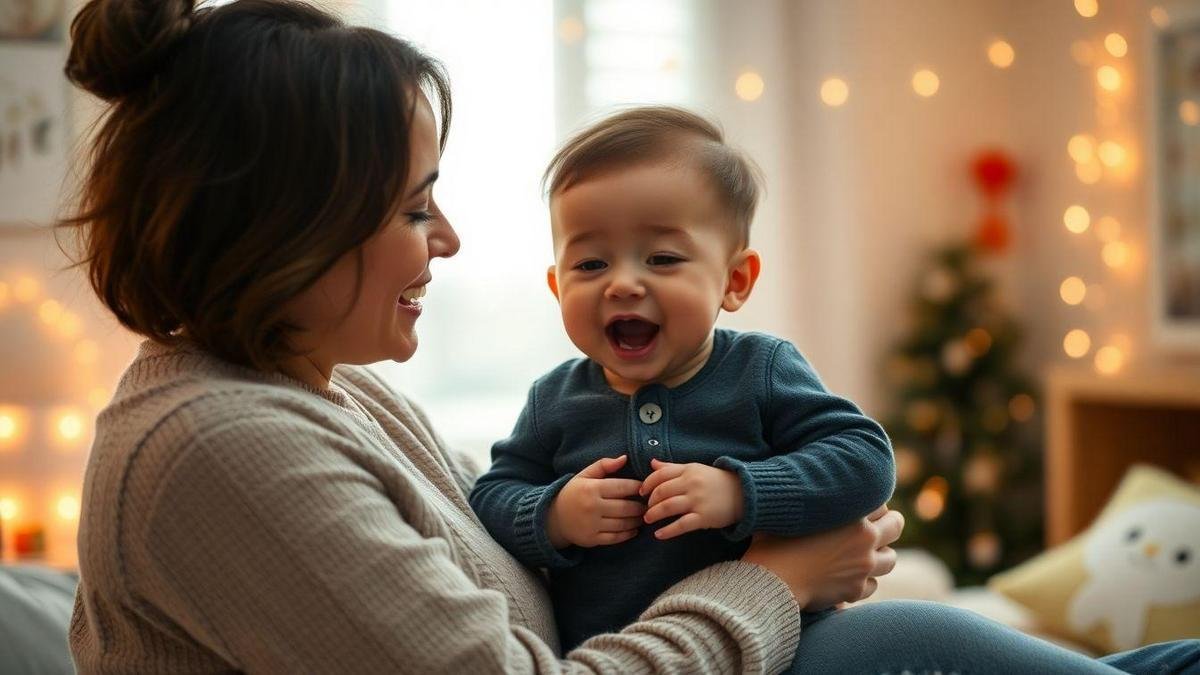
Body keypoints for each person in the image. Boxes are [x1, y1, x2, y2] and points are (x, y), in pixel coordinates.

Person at [59, 0, 1198, 673]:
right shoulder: (218, 447)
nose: (447, 241)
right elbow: (515, 522)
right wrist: (776, 578)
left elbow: (481, 528)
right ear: (282, 223)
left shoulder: (315, 391)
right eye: (411, 208)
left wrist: (770, 517)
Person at [468, 106, 895, 649]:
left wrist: (743, 492)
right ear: (557, 287)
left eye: (662, 258)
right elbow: (491, 499)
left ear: (734, 280)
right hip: (619, 656)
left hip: (787, 645)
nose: (622, 283)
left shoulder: (760, 370)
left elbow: (865, 458)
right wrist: (553, 514)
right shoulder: (553, 399)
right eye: (591, 264)